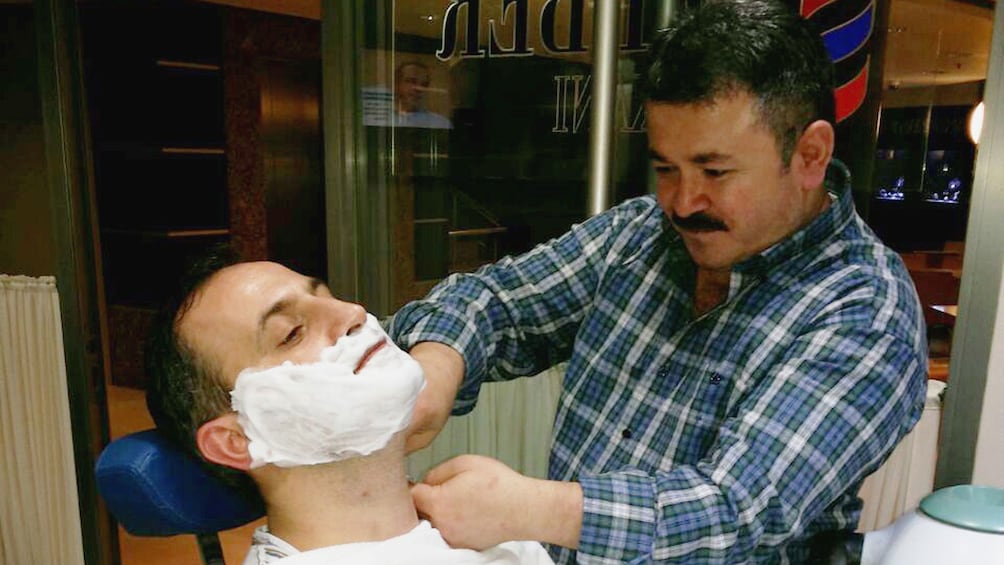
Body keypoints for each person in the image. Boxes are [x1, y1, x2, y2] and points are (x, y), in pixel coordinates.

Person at [389, 0, 929, 562]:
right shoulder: (641, 235)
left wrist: (528, 509)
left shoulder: (865, 309)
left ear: (810, 155)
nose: (682, 201)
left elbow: (737, 509)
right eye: (667, 168)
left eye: (715, 171)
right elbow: (498, 302)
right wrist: (439, 363)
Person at [144, 250, 554, 565]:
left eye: (330, 296)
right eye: (292, 333)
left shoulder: (497, 527)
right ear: (237, 440)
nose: (354, 312)